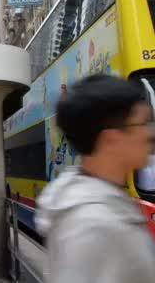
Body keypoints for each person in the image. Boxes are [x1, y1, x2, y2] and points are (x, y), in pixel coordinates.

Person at [35, 74, 155, 283]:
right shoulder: (92, 226)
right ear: (111, 139)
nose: (150, 133)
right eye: (143, 123)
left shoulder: (105, 203)